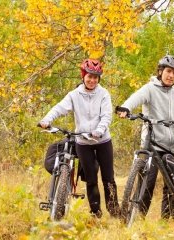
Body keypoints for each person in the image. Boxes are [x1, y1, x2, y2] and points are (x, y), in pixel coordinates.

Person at [39, 58, 120, 218]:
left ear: (98, 79)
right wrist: (47, 120)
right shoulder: (74, 95)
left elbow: (107, 115)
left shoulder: (104, 94)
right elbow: (60, 108)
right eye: (89, 76)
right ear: (83, 76)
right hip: (83, 142)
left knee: (108, 178)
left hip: (102, 140)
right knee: (91, 179)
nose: (92, 80)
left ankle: (114, 211)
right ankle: (96, 211)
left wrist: (99, 130)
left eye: (95, 77)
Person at [116, 54, 174, 218]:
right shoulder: (150, 88)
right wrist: (125, 108)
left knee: (172, 186)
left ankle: (167, 220)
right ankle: (137, 217)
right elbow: (136, 98)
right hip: (152, 145)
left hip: (173, 146)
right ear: (161, 71)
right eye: (168, 71)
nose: (171, 75)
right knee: (146, 184)